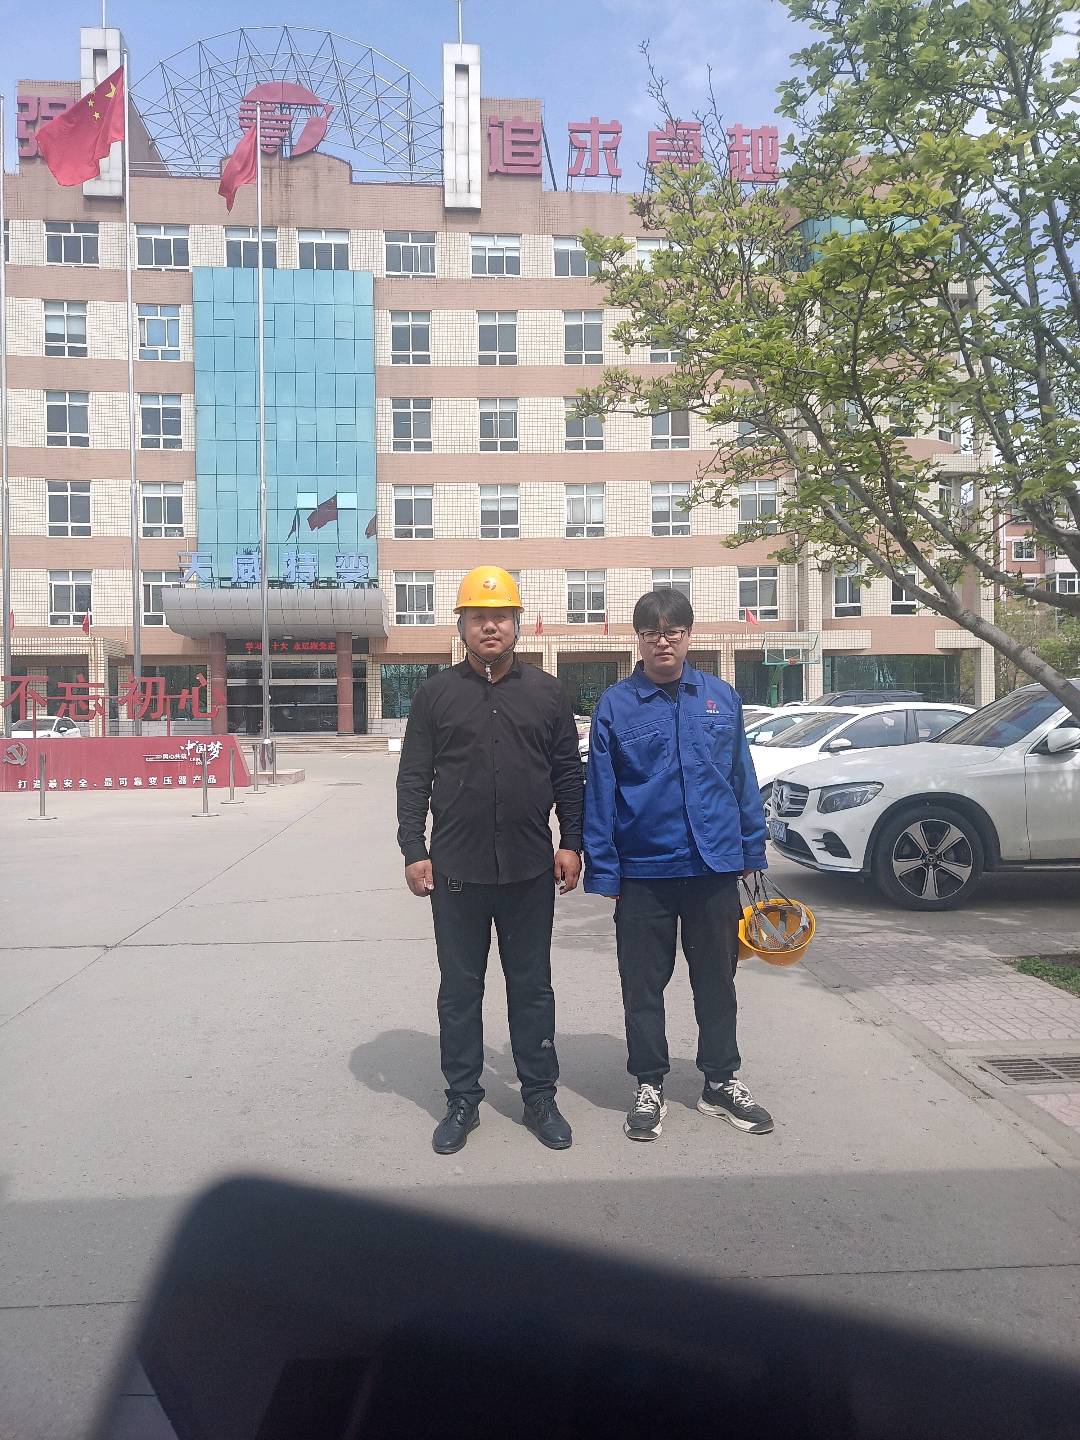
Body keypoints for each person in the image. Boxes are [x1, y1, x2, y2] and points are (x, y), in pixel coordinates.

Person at [396, 566, 584, 1155]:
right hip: (456, 869)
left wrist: (571, 842)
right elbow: (414, 777)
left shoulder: (547, 693)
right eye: (478, 618)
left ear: (517, 623)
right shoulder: (436, 695)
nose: (490, 627)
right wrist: (413, 849)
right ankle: (462, 1099)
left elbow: (568, 776)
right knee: (460, 991)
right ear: (462, 627)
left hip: (530, 868)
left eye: (500, 616)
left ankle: (539, 1096)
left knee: (532, 989)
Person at [583, 588, 773, 1142]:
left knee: (717, 980)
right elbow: (601, 791)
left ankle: (721, 1081)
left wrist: (751, 849)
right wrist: (605, 868)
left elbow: (741, 777)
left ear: (689, 636)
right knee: (642, 985)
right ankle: (649, 1084)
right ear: (638, 640)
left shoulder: (720, 698)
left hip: (713, 866)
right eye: (651, 633)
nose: (662, 642)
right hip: (645, 869)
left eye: (673, 632)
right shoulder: (616, 705)